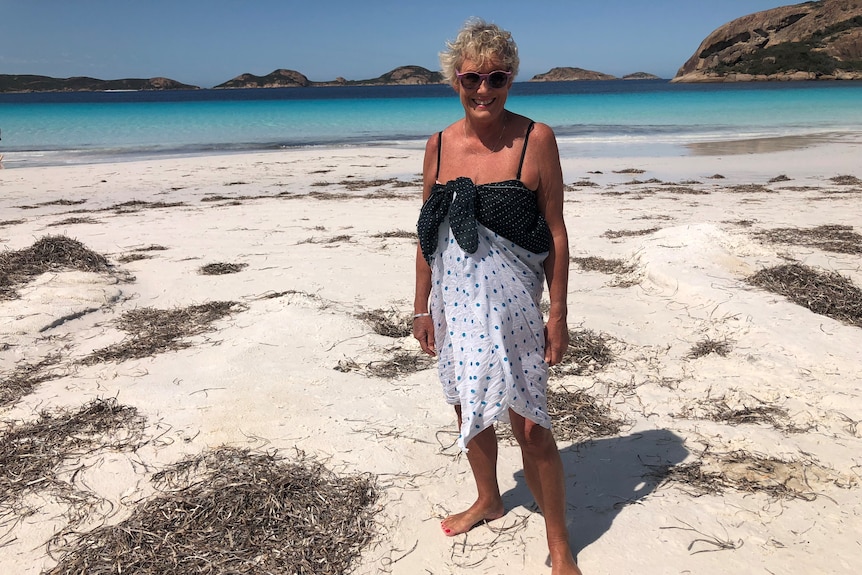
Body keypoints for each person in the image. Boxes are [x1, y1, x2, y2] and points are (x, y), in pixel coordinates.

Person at [413, 18, 583, 575]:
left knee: (531, 426)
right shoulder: (437, 146)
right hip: (454, 303)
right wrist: (421, 307)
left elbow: (555, 232)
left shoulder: (536, 139)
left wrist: (558, 312)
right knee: (469, 408)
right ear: (454, 81)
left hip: (514, 308)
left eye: (496, 78)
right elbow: (426, 234)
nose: (483, 90)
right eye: (471, 80)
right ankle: (489, 499)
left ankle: (559, 543)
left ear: (510, 80)